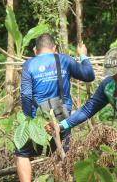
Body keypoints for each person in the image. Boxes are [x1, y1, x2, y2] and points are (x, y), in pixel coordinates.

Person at [16, 33, 95, 182]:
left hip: (37, 116)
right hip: (61, 113)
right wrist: (83, 55)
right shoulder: (64, 59)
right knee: (59, 152)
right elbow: (89, 75)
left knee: (23, 152)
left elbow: (26, 95)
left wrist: (29, 119)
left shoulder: (29, 64)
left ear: (35, 50)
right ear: (54, 48)